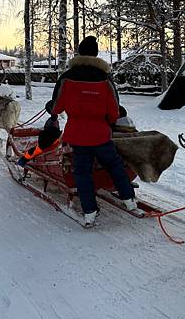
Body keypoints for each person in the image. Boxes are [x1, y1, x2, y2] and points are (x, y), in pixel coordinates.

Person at [46, 35, 141, 226]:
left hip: (77, 135)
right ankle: (129, 200)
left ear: (79, 53)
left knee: (82, 172)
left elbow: (56, 107)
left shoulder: (66, 78)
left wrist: (52, 108)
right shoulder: (105, 78)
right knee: (115, 165)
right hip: (101, 134)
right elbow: (114, 110)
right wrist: (108, 121)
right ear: (96, 54)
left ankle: (90, 211)